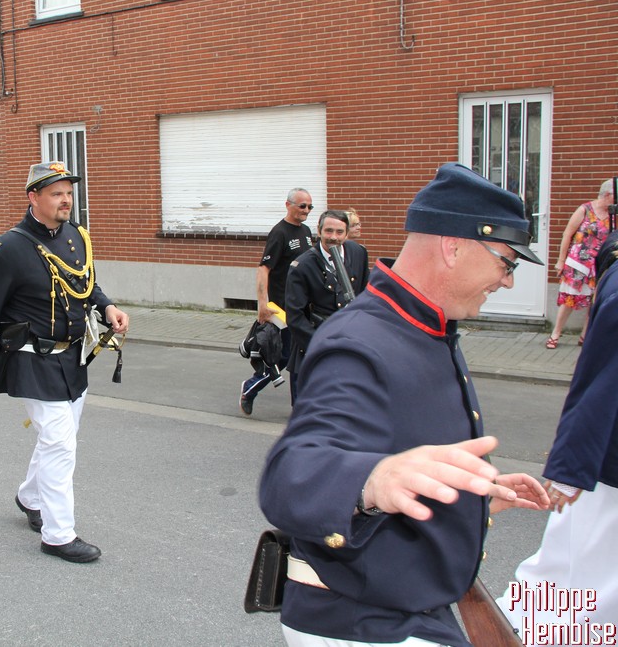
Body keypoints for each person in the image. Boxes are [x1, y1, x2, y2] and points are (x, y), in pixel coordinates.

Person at [259, 163, 550, 647]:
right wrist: (371, 480)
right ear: (454, 246)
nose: (508, 282)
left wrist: (472, 495)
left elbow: (406, 445)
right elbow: (291, 475)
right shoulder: (361, 340)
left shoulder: (425, 325)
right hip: (363, 621)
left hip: (403, 605)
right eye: (508, 263)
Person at [0, 161, 130, 564]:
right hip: (31, 360)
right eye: (56, 194)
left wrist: (107, 307)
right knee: (60, 445)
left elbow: (85, 283)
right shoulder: (7, 250)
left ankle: (30, 497)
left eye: (68, 193)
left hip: (72, 358)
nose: (66, 200)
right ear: (33, 197)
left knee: (60, 438)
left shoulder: (75, 236)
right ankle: (58, 535)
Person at [497, 262, 618, 634]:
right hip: (606, 467)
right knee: (591, 582)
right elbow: (602, 379)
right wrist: (572, 467)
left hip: (600, 463)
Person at [240, 188, 314, 416]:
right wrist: (263, 304)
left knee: (301, 356)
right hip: (282, 308)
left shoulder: (307, 231)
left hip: (302, 307)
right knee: (283, 357)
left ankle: (299, 407)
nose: (306, 210)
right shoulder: (279, 232)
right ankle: (250, 388)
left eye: (310, 206)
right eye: (302, 206)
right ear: (288, 205)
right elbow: (263, 269)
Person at [284, 210, 368, 402]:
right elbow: (295, 317)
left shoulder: (358, 252)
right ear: (319, 231)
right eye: (328, 231)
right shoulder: (302, 266)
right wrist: (322, 346)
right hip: (314, 348)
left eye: (339, 232)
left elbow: (365, 297)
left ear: (346, 233)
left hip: (349, 348)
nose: (334, 237)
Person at [546, 179, 614, 349]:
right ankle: (556, 333)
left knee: (594, 300)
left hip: (599, 264)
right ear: (607, 194)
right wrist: (560, 261)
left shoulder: (614, 215)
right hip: (578, 262)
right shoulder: (585, 209)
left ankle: (585, 335)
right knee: (569, 298)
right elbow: (567, 234)